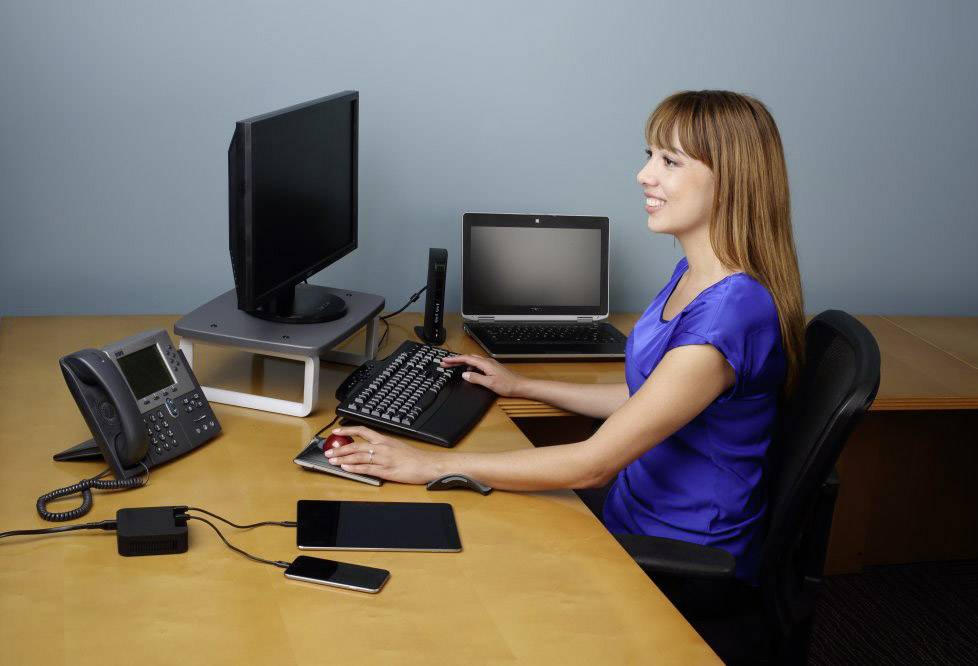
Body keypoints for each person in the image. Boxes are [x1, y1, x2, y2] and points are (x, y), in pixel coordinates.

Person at [325, 90, 805, 584]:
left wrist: (427, 464)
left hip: (679, 550)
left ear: (731, 180)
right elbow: (650, 398)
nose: (645, 175)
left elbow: (592, 465)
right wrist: (522, 386)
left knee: (464, 553)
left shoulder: (729, 318)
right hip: (631, 509)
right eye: (649, 156)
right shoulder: (696, 274)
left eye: (670, 161)